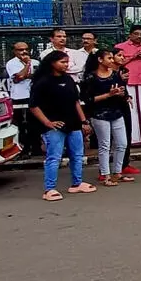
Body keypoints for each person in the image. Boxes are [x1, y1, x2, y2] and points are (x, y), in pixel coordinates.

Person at [29, 51, 96, 201]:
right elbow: (33, 106)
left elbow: (75, 102)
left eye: (67, 62)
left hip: (74, 124)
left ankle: (77, 183)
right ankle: (49, 189)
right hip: (54, 127)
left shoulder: (69, 80)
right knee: (54, 157)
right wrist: (47, 122)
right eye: (62, 62)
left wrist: (84, 121)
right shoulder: (43, 82)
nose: (66, 65)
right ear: (52, 63)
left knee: (77, 155)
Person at [81, 50, 132, 186]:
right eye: (109, 58)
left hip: (116, 112)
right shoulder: (91, 77)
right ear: (100, 60)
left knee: (122, 143)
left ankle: (117, 172)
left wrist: (121, 94)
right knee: (105, 145)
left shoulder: (115, 75)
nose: (112, 60)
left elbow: (122, 91)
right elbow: (88, 99)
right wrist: (108, 95)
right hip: (99, 114)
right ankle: (105, 175)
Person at [115, 25, 141, 145]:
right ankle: (133, 139)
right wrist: (134, 57)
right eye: (136, 33)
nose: (139, 36)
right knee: (131, 109)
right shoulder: (120, 47)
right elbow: (117, 63)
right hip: (128, 80)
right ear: (130, 34)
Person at [6, 42, 41, 156]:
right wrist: (27, 65)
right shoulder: (12, 63)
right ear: (15, 51)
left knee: (35, 123)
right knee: (20, 124)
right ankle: (23, 149)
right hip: (19, 97)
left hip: (33, 95)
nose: (24, 52)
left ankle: (36, 148)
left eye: (26, 49)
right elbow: (19, 77)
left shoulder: (36, 62)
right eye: (20, 50)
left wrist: (28, 74)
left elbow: (39, 77)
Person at [111, 49, 140, 175]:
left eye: (123, 55)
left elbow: (123, 88)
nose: (122, 58)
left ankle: (124, 164)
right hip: (110, 107)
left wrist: (127, 96)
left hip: (123, 105)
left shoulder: (123, 71)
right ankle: (106, 169)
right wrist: (117, 78)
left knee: (127, 134)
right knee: (109, 139)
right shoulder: (106, 73)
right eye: (119, 55)